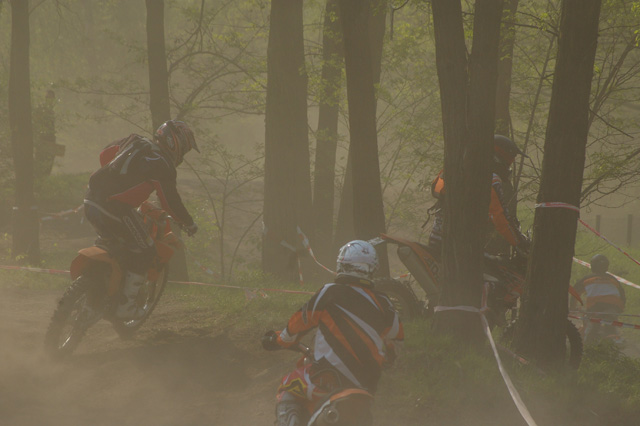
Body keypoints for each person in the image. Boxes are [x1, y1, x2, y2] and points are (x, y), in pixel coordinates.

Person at [262, 240, 404, 426]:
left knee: (289, 384)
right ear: (372, 269)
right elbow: (396, 340)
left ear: (341, 265)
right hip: (366, 388)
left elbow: (298, 325)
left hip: (328, 381)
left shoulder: (330, 292)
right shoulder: (384, 303)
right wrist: (386, 359)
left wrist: (279, 339)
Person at [83, 120, 199, 319]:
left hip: (90, 200)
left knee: (116, 241)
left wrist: (116, 183)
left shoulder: (133, 141)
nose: (183, 155)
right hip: (114, 209)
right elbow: (170, 202)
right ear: (176, 143)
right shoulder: (162, 164)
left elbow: (105, 155)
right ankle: (126, 306)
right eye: (185, 149)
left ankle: (98, 285)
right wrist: (188, 223)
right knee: (146, 250)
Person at [427, 134, 529, 257]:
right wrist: (520, 242)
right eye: (509, 161)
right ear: (499, 158)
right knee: (497, 265)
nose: (508, 167)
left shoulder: (459, 170)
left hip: (436, 239)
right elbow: (500, 217)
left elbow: (435, 190)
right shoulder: (490, 178)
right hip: (460, 247)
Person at [573, 254, 626, 345]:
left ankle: (588, 348)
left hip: (595, 308)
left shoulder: (587, 279)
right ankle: (615, 343)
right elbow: (622, 295)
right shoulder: (613, 279)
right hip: (613, 308)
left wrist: (572, 308)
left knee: (592, 328)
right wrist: (620, 309)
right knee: (611, 327)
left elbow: (575, 293)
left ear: (592, 266)